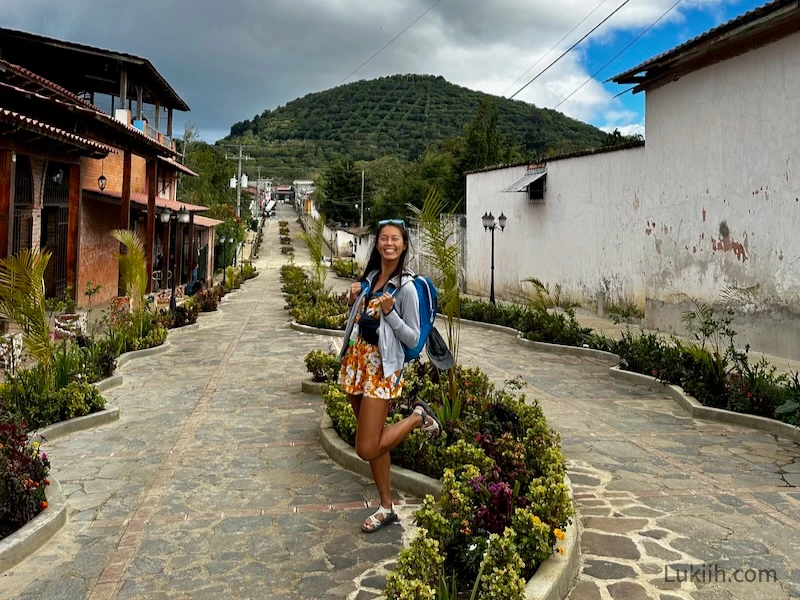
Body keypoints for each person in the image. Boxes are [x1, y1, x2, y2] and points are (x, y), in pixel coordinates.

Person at [338, 219, 442, 533]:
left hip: (382, 369)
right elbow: (363, 321)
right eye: (384, 238)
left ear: (404, 245)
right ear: (378, 244)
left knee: (367, 447)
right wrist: (356, 297)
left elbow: (412, 339)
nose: (389, 243)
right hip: (358, 363)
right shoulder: (371, 277)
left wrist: (390, 312)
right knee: (375, 441)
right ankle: (386, 506)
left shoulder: (408, 287)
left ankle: (418, 417)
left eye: (395, 238)